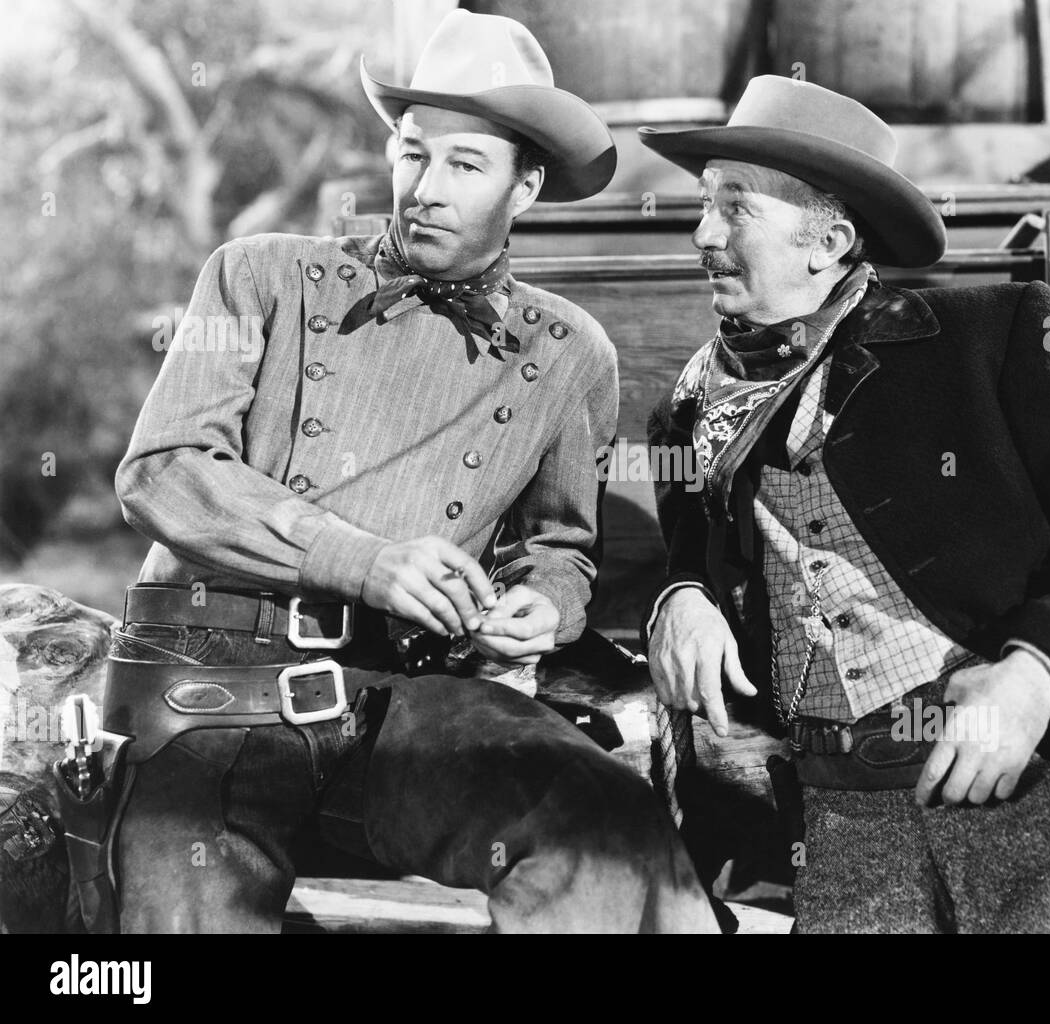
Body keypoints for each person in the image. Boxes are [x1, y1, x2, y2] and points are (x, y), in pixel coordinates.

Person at [87, 10, 715, 934]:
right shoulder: (260, 277)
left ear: (526, 184)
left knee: (602, 828)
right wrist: (362, 560)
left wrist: (541, 607)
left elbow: (560, 549)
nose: (424, 187)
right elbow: (164, 469)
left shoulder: (569, 351)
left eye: (465, 164)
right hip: (205, 684)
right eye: (412, 152)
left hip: (401, 701)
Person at [638, 75, 1050, 933]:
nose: (703, 232)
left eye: (735, 207)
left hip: (1025, 784)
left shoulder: (985, 337)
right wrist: (679, 599)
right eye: (703, 204)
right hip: (841, 817)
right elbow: (694, 558)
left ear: (826, 241)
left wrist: (1029, 679)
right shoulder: (690, 406)